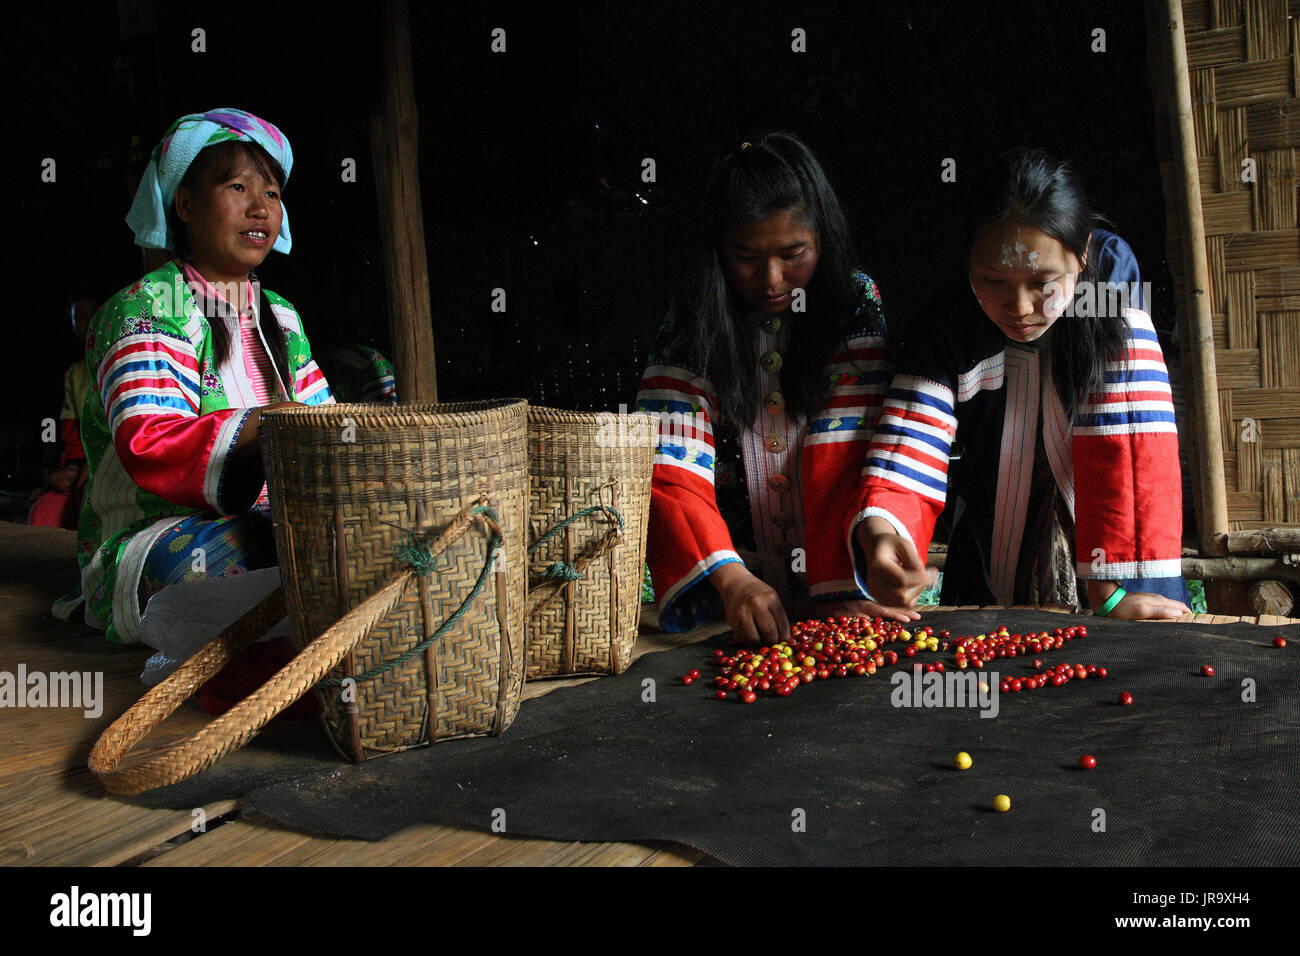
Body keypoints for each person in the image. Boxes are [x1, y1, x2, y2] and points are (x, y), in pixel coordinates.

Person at [852, 148, 1190, 620]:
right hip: (990, 551)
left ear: (1084, 253)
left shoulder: (1109, 278)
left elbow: (1129, 435)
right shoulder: (947, 324)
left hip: (1115, 557)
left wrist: (1114, 589)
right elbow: (911, 439)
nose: (1020, 306)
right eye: (992, 280)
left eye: (1043, 282)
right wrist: (886, 534)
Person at [53, 108, 334, 644]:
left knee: (353, 535)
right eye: (237, 186)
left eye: (273, 193)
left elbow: (324, 422)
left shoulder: (283, 315)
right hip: (157, 533)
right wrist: (270, 423)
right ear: (183, 203)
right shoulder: (145, 307)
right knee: (221, 563)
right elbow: (149, 442)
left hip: (275, 521)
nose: (260, 207)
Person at [635, 132, 915, 645]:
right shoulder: (695, 316)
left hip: (853, 587)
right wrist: (733, 578)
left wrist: (841, 582)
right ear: (719, 249)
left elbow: (857, 441)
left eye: (793, 253)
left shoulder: (853, 300)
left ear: (823, 238)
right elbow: (668, 460)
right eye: (745, 256)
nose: (771, 278)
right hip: (730, 595)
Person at [29, 290, 101, 529]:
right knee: (43, 510)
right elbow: (73, 438)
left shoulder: (124, 360)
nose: (86, 323)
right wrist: (67, 471)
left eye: (91, 315)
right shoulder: (75, 373)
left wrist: (94, 471)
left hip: (113, 469)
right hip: (83, 473)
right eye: (78, 317)